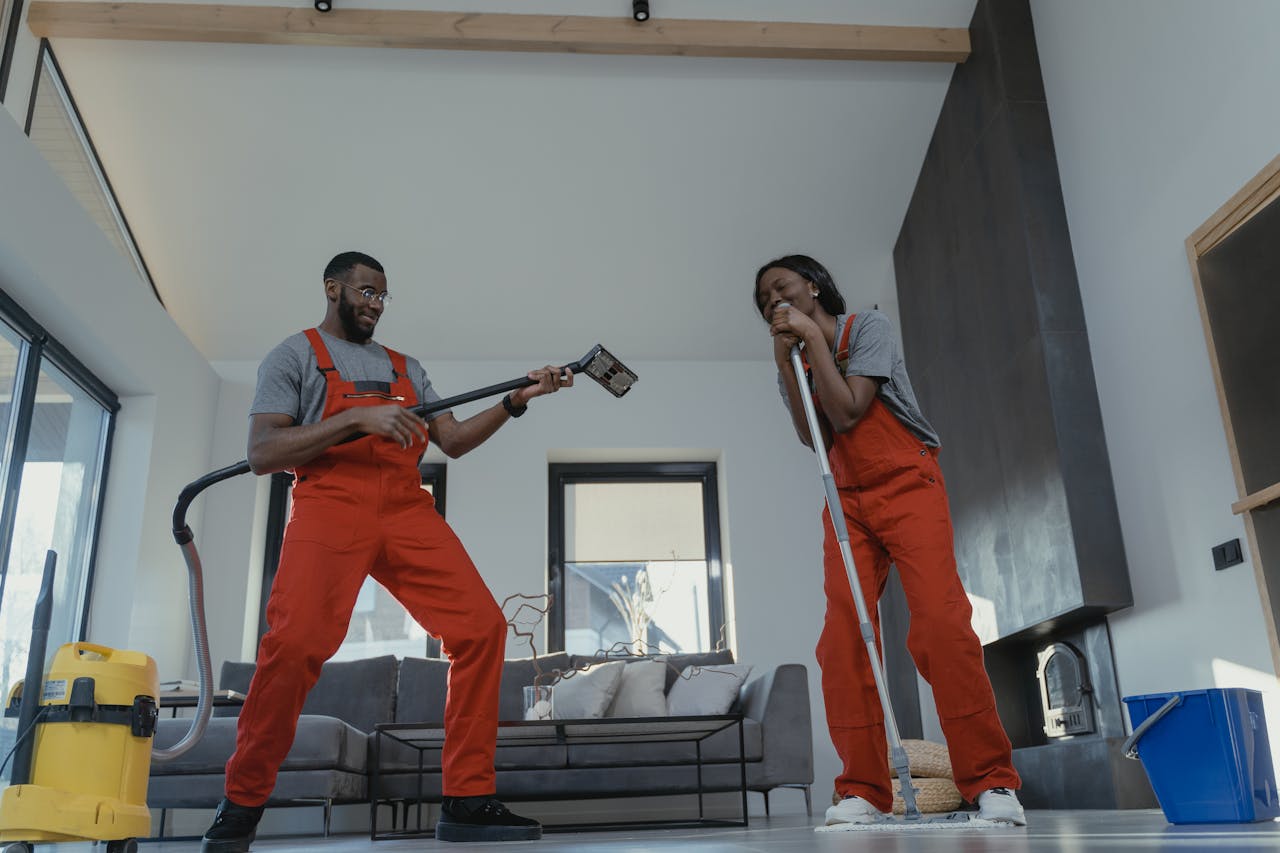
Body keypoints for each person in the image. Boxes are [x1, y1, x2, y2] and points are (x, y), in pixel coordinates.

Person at [203, 251, 570, 849]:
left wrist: (516, 400)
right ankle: (242, 803)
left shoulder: (407, 367)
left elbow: (451, 441)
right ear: (333, 288)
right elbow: (262, 453)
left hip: (405, 508)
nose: (374, 304)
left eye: (382, 297)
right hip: (329, 505)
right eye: (366, 292)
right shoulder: (294, 356)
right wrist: (357, 422)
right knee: (293, 646)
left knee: (481, 630)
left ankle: (467, 799)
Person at [753, 254, 1025, 827]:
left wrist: (811, 345)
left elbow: (852, 411)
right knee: (843, 640)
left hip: (907, 482)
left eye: (780, 287)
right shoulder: (797, 366)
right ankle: (863, 792)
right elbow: (816, 439)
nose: (772, 302)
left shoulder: (867, 328)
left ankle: (992, 782)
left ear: (814, 287)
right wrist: (787, 368)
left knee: (941, 625)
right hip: (845, 501)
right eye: (763, 302)